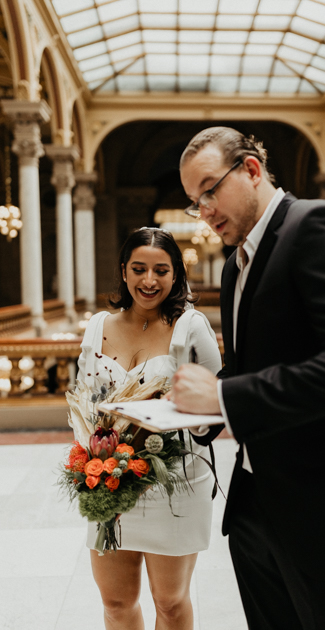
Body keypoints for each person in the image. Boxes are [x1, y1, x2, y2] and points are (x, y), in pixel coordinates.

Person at [170, 126, 325, 630]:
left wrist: (224, 395)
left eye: (210, 190)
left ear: (252, 170)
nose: (205, 211)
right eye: (195, 202)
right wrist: (194, 409)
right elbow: (257, 365)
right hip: (258, 508)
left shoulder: (318, 226)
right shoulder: (234, 266)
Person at [74, 227, 222, 630]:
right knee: (116, 602)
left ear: (176, 275)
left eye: (161, 270)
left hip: (174, 483)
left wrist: (178, 415)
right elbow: (83, 399)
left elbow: (218, 405)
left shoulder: (191, 326)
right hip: (108, 482)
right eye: (139, 269)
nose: (149, 280)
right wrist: (91, 461)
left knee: (170, 602)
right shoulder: (97, 326)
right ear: (124, 272)